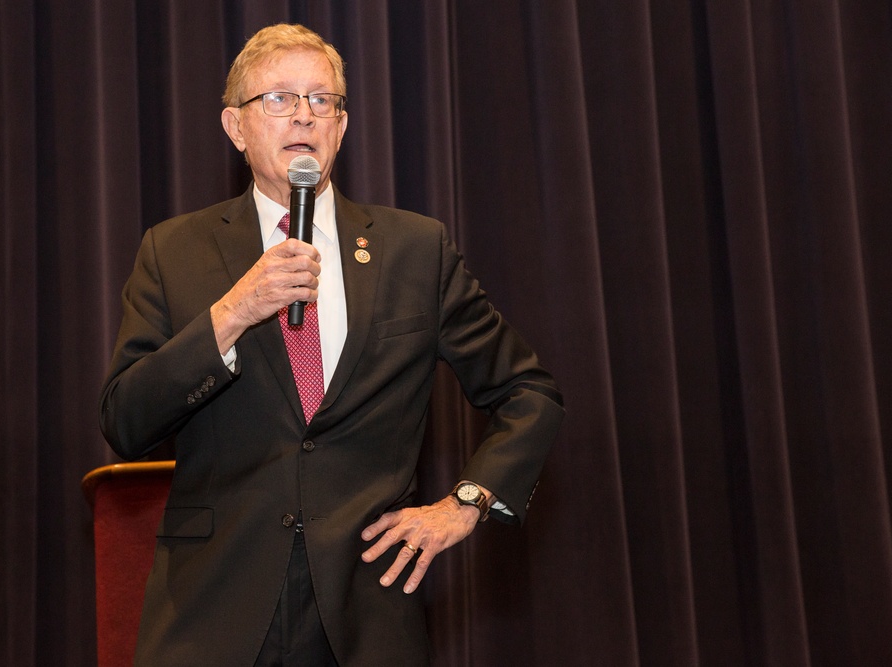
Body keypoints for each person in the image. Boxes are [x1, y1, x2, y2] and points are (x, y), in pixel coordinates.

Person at [99, 23, 563, 666]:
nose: (303, 116)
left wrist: (467, 503)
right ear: (236, 127)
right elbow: (125, 420)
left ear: (340, 128)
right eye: (280, 99)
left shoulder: (413, 250)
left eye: (322, 101)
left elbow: (527, 392)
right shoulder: (173, 251)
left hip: (367, 610)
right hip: (212, 612)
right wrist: (232, 313)